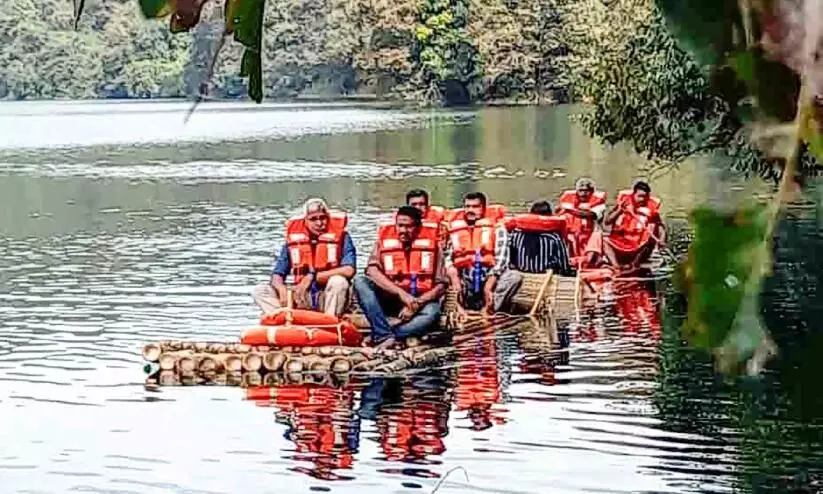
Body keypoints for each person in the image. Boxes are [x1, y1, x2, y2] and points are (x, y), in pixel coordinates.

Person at [353, 205, 448, 349]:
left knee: (432, 313)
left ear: (418, 227)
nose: (403, 230)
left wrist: (416, 304)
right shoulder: (382, 242)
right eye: (400, 226)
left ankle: (383, 334)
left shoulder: (434, 246)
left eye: (408, 227)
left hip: (420, 301)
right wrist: (401, 294)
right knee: (360, 282)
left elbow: (441, 285)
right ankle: (384, 334)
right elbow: (372, 271)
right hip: (390, 298)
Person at [252, 198, 356, 317]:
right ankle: (282, 317)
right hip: (301, 295)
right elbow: (277, 275)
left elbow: (349, 270)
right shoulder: (294, 241)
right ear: (305, 220)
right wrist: (281, 290)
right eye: (313, 219)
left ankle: (330, 320)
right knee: (260, 290)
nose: (319, 223)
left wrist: (313, 277)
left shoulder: (343, 238)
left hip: (328, 295)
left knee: (338, 281)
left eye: (322, 218)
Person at [444, 192, 522, 315]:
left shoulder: (498, 228)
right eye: (467, 206)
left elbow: (502, 260)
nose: (470, 210)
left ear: (483, 208)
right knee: (441, 278)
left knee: (514, 277)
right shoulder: (456, 229)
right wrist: (453, 275)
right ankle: (458, 307)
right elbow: (448, 257)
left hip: (488, 277)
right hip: (466, 278)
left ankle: (490, 308)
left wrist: (489, 285)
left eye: (475, 207)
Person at [601, 181, 667, 272]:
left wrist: (662, 240)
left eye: (645, 197)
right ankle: (616, 266)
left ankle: (634, 266)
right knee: (603, 239)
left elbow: (660, 227)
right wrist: (619, 211)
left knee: (651, 236)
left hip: (638, 246)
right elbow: (607, 222)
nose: (642, 199)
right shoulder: (622, 204)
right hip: (621, 242)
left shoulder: (651, 211)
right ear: (633, 195)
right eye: (639, 196)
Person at [506, 200, 573, 275]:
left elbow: (510, 258)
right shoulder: (554, 237)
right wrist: (567, 272)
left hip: (521, 271)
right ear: (549, 216)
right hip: (546, 273)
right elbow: (563, 262)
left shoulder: (516, 234)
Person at [555, 177, 607, 264]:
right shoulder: (568, 200)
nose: (583, 194)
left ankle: (588, 261)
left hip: (590, 235)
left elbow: (592, 215)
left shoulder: (599, 203)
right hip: (572, 234)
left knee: (597, 236)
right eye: (581, 190)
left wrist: (569, 210)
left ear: (592, 191)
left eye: (586, 191)